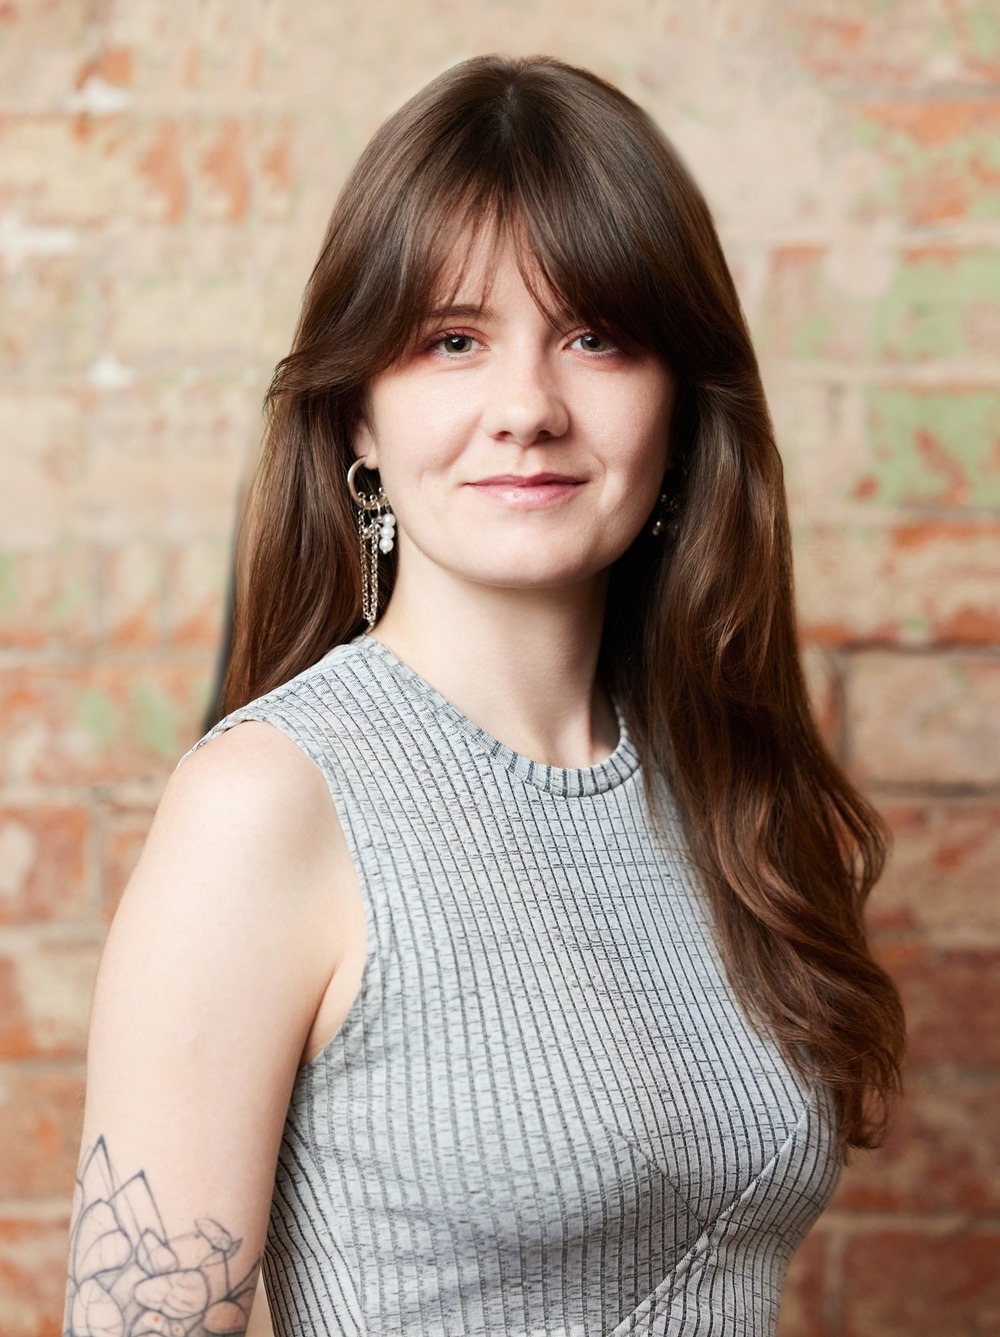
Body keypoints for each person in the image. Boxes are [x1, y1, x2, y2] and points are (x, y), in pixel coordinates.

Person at [64, 53, 906, 1337]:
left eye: (595, 337)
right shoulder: (268, 801)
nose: (526, 407)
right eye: (452, 341)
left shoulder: (721, 784)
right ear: (359, 417)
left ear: (681, 405)